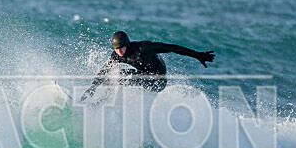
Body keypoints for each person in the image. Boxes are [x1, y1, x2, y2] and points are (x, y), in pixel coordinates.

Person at [80, 31, 215, 101]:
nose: (119, 51)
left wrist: (198, 55)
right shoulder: (117, 55)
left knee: (122, 78)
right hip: (144, 75)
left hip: (158, 81)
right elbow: (104, 70)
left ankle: (104, 101)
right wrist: (92, 88)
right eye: (116, 49)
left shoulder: (144, 48)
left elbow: (172, 48)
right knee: (113, 76)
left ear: (126, 44)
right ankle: (102, 100)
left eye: (121, 48)